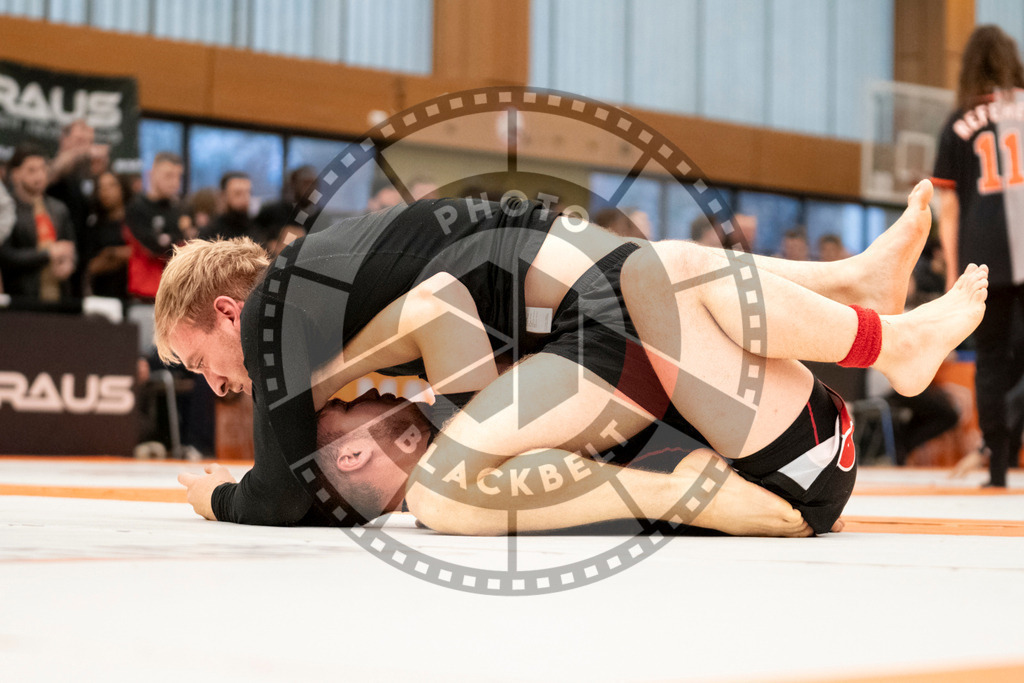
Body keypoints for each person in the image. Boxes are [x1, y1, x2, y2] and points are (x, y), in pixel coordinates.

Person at [166, 182, 986, 536]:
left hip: (787, 458)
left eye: (200, 359)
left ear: (230, 310)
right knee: (648, 267)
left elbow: (274, 494)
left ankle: (875, 321)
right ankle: (861, 300)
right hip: (788, 454)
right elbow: (436, 309)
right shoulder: (336, 286)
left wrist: (220, 494)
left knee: (644, 270)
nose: (216, 385)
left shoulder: (284, 308)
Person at [932, 24, 1024, 488]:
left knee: (990, 356)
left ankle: (997, 466)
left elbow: (947, 206)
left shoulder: (957, 123)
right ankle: (1009, 428)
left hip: (982, 251)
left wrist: (953, 269)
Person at [0, 143, 76, 303]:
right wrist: (47, 254)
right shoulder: (7, 210)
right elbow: (5, 256)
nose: (39, 176)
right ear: (15, 174)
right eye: (31, 170)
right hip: (20, 301)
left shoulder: (59, 209)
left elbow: (71, 248)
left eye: (43, 169)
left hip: (58, 299)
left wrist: (69, 264)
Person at [123, 152, 190, 302]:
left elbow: (186, 244)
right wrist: (174, 239)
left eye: (178, 176)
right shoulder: (137, 207)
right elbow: (152, 246)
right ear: (152, 174)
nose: (174, 182)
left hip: (175, 291)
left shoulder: (180, 209)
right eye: (168, 175)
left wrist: (169, 240)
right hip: (144, 291)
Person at [82, 171, 132, 303]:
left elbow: (140, 254)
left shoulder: (135, 221)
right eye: (101, 187)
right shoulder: (93, 225)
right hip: (103, 296)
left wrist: (111, 253)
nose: (106, 192)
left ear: (122, 188)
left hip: (134, 295)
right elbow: (91, 267)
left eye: (111, 186)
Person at [202, 171, 255, 241]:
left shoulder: (256, 228)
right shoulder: (210, 234)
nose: (246, 198)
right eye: (238, 193)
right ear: (223, 196)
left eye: (248, 192)